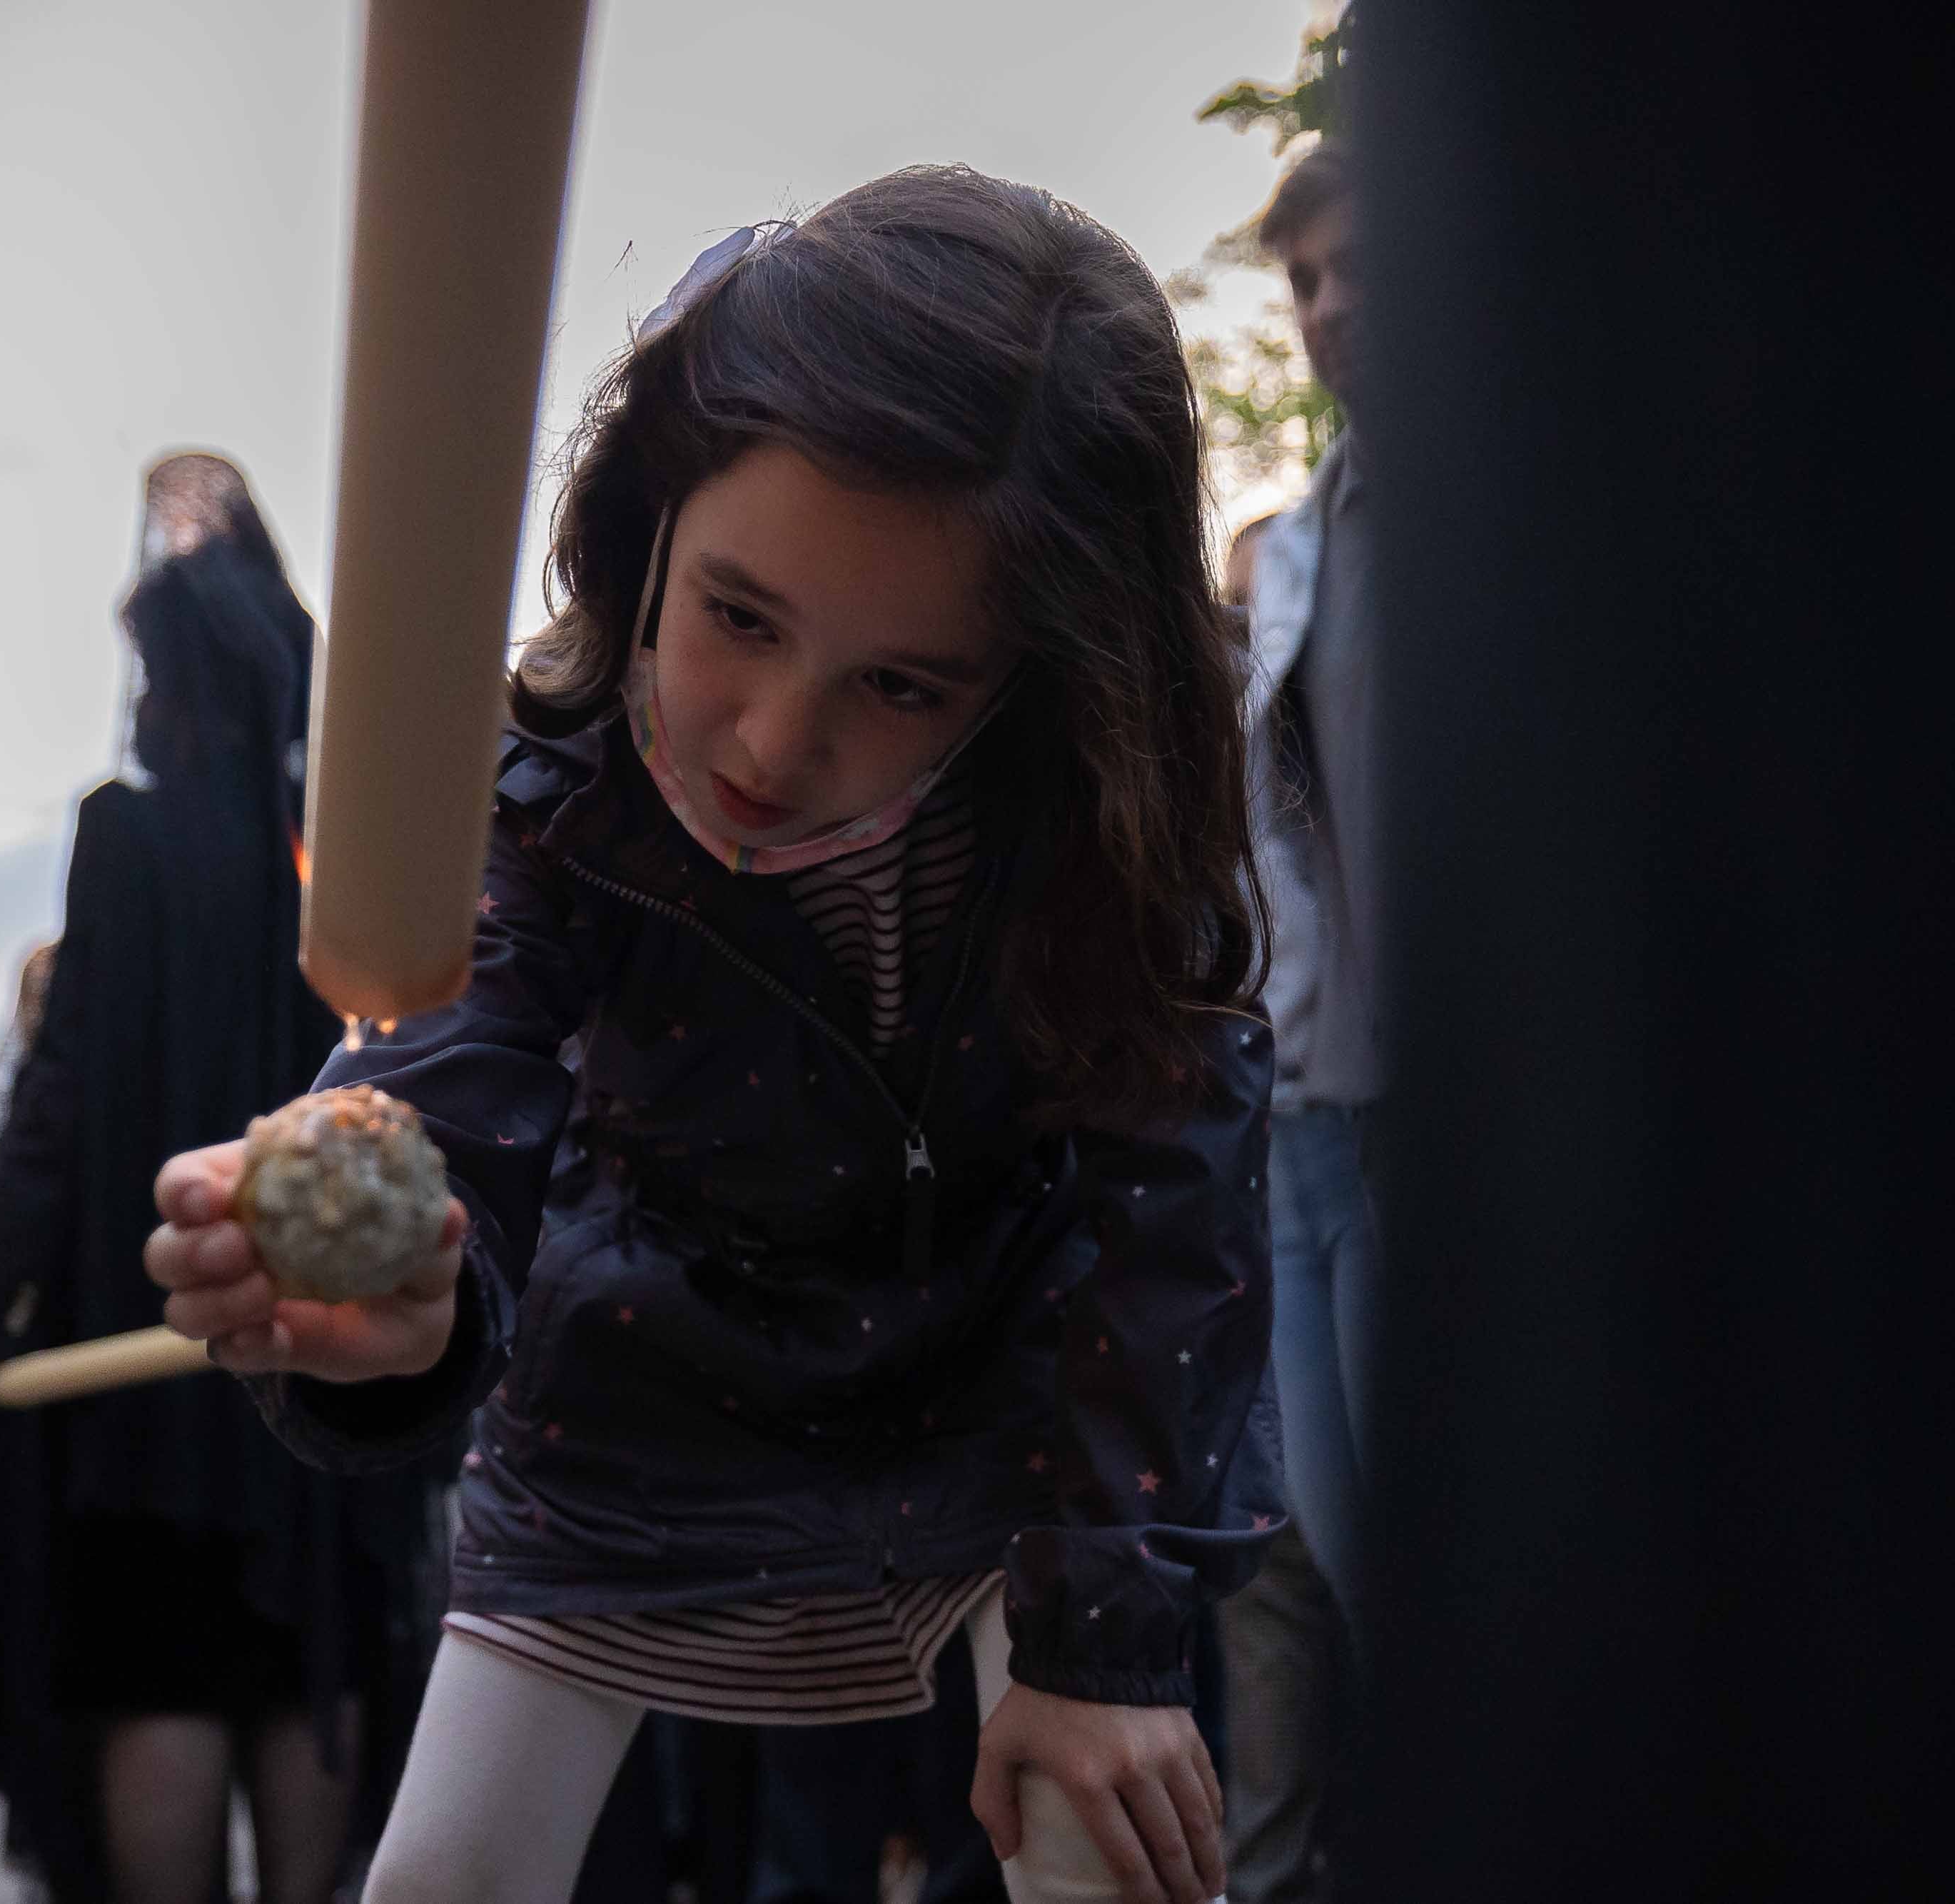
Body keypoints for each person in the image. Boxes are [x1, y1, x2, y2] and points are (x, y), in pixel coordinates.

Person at [143, 166, 1281, 1904]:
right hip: (635, 1391)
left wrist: (1104, 1634)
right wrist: (392, 1293)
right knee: (438, 1880)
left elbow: (1169, 1190)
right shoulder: (551, 797)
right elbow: (449, 1055)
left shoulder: (1101, 819)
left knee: (1108, 1855)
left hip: (1018, 1397)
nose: (763, 737)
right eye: (737, 615)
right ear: (644, 520)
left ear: (1044, 674)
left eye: (900, 683)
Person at [0, 453, 445, 1904]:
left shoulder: (125, 835)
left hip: (140, 1376)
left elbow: (58, 1094)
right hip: (316, 1367)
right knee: (302, 1683)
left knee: (163, 1679)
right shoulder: (326, 868)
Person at [1216, 144, 1372, 1904]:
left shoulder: (1499, 513)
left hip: (1417, 1110)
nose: (1325, 309)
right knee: (1320, 1543)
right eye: (1300, 283)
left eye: (1355, 268)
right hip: (1294, 1114)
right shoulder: (1315, 536)